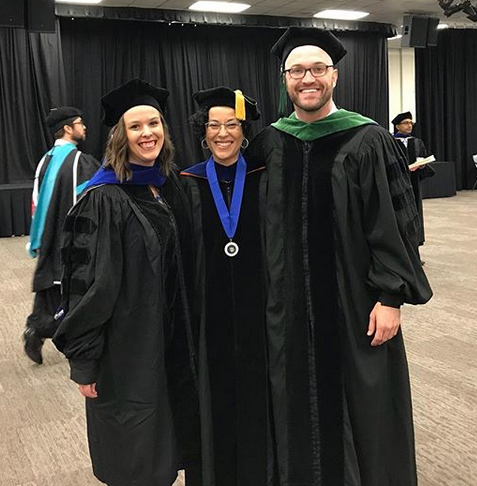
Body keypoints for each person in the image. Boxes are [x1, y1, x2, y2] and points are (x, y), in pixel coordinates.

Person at [247, 27, 433, 486]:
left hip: (354, 303)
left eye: (317, 69)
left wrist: (391, 297)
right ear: (284, 78)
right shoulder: (269, 144)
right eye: (297, 71)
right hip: (285, 307)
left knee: (362, 402)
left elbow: (395, 225)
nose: (307, 79)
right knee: (288, 395)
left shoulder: (367, 140)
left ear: (334, 75)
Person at [52, 79, 199, 486]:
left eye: (154, 123)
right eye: (135, 127)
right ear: (120, 135)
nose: (147, 133)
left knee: (172, 446)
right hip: (127, 353)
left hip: (172, 343)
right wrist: (83, 360)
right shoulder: (104, 198)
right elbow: (83, 283)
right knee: (135, 457)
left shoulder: (169, 186)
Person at [180, 87, 269, 486]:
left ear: (244, 129)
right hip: (208, 313)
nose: (222, 133)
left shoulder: (265, 176)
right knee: (212, 400)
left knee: (259, 396)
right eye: (213, 125)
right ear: (203, 131)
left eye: (231, 124)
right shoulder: (187, 181)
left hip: (260, 310)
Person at [23, 107, 99, 365]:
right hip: (73, 240)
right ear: (68, 128)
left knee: (51, 288)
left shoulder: (45, 160)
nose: (84, 127)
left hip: (49, 237)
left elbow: (35, 202)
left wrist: (39, 239)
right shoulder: (80, 162)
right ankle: (51, 332)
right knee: (73, 290)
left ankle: (37, 329)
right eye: (80, 123)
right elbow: (88, 202)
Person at [392, 111, 435, 253]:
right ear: (397, 126)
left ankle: (414, 252)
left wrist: (422, 165)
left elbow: (422, 160)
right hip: (396, 185)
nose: (410, 125)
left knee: (414, 216)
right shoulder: (390, 142)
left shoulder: (417, 142)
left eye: (411, 123)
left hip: (413, 184)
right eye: (406, 123)